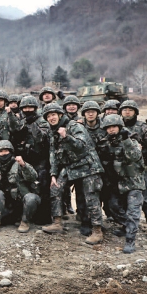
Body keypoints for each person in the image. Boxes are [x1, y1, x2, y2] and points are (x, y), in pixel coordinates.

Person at [41, 103, 105, 244]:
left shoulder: (74, 126)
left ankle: (97, 231)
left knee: (91, 197)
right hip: (71, 166)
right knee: (55, 188)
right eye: (49, 116)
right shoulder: (53, 131)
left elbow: (82, 146)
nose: (51, 118)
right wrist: (53, 174)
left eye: (53, 114)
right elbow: (53, 155)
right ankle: (57, 223)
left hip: (88, 165)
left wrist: (67, 137)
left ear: (60, 115)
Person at [96, 115, 146, 253]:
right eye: (108, 127)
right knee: (113, 207)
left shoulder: (131, 138)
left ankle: (130, 240)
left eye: (114, 127)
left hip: (133, 181)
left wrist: (126, 140)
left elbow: (135, 156)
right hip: (116, 183)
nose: (111, 129)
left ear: (120, 126)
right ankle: (127, 226)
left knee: (133, 211)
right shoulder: (104, 142)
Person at [119, 100, 147, 239]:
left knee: (145, 198)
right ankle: (126, 225)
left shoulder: (142, 127)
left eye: (130, 110)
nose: (127, 112)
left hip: (140, 168)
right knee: (124, 198)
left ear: (135, 112)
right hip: (123, 168)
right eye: (124, 109)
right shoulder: (117, 125)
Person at [11, 95, 51, 225]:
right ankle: (21, 214)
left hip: (40, 159)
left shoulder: (42, 121)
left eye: (30, 107)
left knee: (41, 186)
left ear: (35, 108)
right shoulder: (20, 120)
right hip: (24, 158)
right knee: (20, 186)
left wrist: (32, 123)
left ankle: (43, 216)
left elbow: (42, 138)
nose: (28, 110)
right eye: (25, 107)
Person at [0, 140, 40, 233]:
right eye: (1, 151)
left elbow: (33, 177)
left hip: (21, 201)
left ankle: (24, 222)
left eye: (6, 151)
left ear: (11, 152)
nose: (3, 154)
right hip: (7, 204)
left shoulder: (19, 164)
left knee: (31, 198)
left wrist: (23, 165)